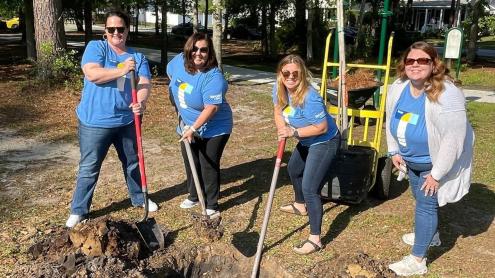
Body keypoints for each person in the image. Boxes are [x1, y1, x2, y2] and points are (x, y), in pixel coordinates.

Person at [386, 41, 474, 276]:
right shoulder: (399, 86)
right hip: (409, 160)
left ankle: (417, 260)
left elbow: (454, 137)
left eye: (422, 60)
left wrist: (436, 175)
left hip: (431, 163)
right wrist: (394, 150)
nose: (415, 65)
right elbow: (390, 118)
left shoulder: (447, 92)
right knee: (419, 197)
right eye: (410, 60)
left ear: (434, 64)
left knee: (425, 206)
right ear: (404, 64)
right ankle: (430, 235)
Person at [66, 10, 156, 228]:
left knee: (132, 162)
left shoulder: (138, 57)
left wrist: (141, 103)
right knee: (89, 167)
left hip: (126, 120)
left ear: (127, 30)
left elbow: (144, 83)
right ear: (105, 32)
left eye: (121, 29)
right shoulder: (97, 48)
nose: (116, 33)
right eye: (111, 29)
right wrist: (123, 69)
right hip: (94, 121)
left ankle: (138, 197)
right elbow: (93, 75)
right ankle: (79, 210)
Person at [274, 54, 340, 255]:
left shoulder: (310, 97)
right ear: (281, 74)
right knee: (294, 170)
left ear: (302, 74)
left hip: (324, 141)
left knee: (310, 187)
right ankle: (300, 205)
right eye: (286, 73)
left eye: (296, 73)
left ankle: (315, 239)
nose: (291, 77)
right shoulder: (279, 90)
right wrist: (281, 129)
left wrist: (293, 132)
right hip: (306, 140)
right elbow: (278, 112)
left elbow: (321, 127)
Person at [167, 32, 233, 218]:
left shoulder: (213, 77)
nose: (198, 53)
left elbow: (211, 108)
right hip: (186, 124)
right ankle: (195, 195)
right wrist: (174, 100)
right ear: (188, 50)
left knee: (207, 163)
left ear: (209, 52)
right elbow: (171, 75)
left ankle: (212, 203)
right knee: (190, 160)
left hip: (215, 127)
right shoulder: (179, 61)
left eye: (203, 50)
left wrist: (194, 128)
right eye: (194, 49)